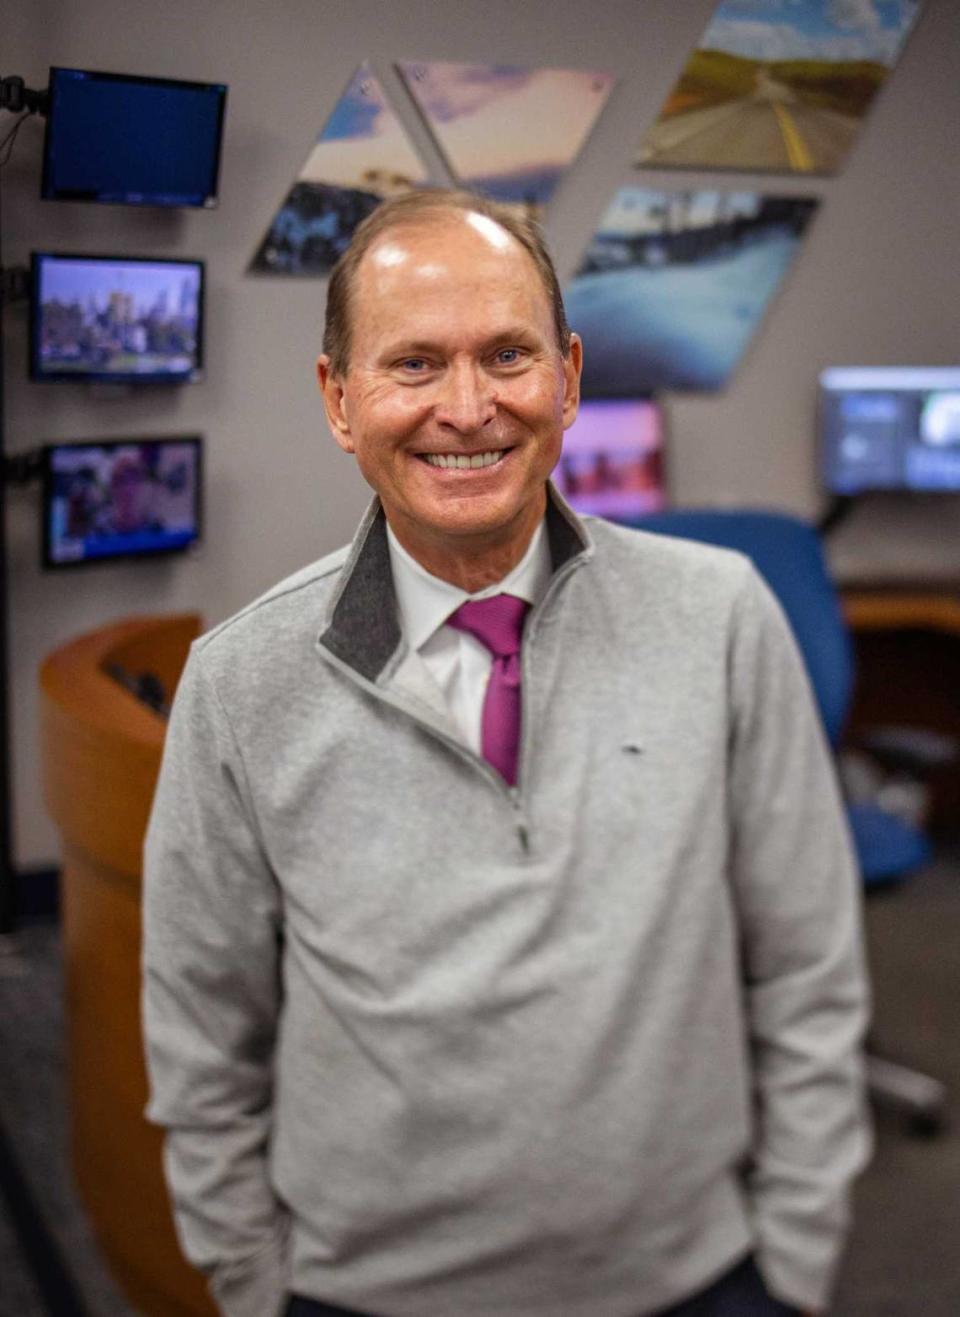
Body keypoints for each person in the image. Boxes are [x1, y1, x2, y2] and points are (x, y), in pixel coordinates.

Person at [142, 189, 871, 1317]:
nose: (468, 408)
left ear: (569, 378)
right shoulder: (241, 684)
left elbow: (809, 963)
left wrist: (797, 1255)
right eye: (415, 365)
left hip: (700, 1279)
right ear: (340, 399)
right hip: (366, 1293)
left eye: (509, 356)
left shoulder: (721, 615)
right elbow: (201, 1035)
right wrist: (255, 1286)